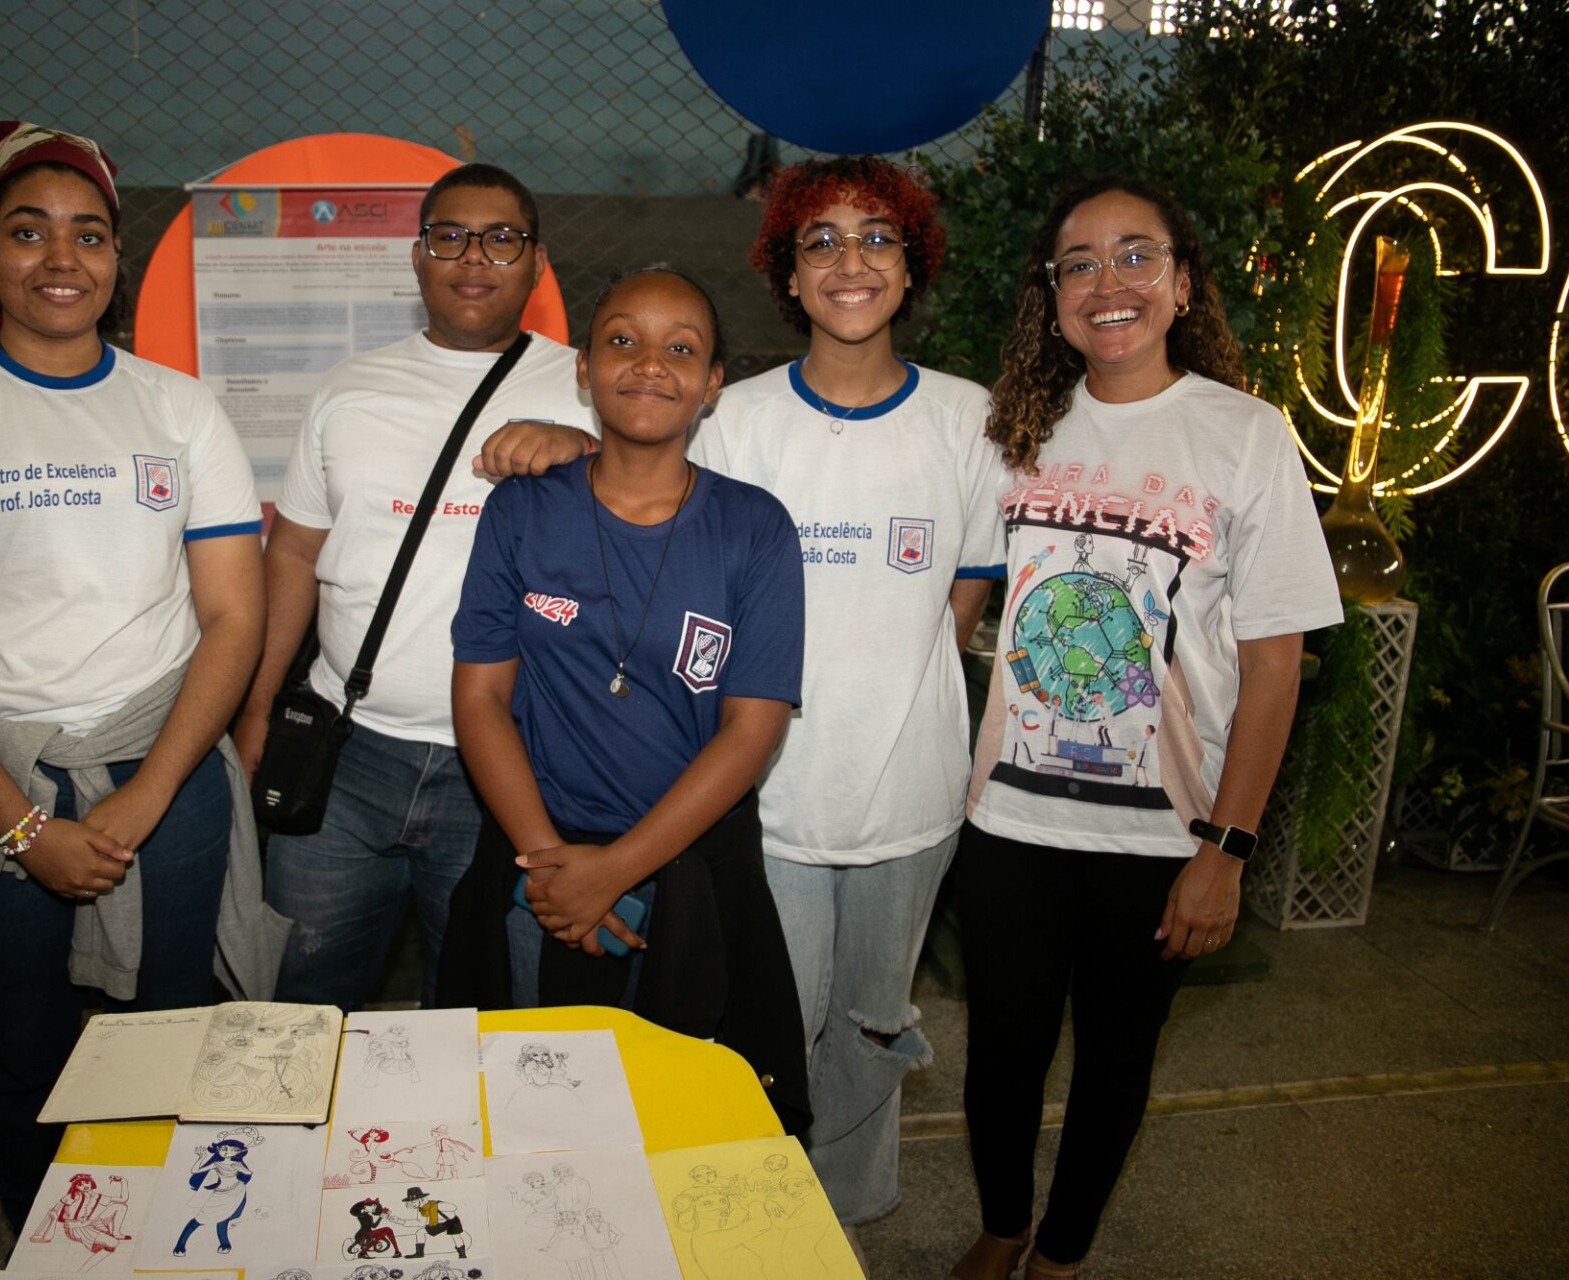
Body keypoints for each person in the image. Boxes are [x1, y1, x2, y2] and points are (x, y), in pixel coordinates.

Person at [0, 120, 269, 1233]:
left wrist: (147, 793)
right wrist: (24, 827)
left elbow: (233, 617)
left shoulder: (178, 407)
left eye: (88, 234)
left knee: (169, 1036)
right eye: (28, 232)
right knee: (21, 1043)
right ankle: (55, 1242)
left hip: (162, 763)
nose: (61, 258)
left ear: (118, 254)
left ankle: (171, 1240)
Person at [949, 177, 1341, 1280]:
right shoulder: (1010, 427)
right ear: (1052, 296)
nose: (1106, 282)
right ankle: (1002, 1223)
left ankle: (1062, 1252)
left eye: (1135, 255)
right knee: (1002, 1054)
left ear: (1182, 282)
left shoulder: (1245, 436)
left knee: (1117, 1061)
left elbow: (1274, 669)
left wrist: (1227, 850)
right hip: (1011, 819)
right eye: (1077, 263)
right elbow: (957, 599)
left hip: (1163, 833)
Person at [688, 154, 1003, 1249]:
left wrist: (894, 692)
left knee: (873, 1022)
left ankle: (845, 1219)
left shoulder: (968, 419)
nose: (851, 260)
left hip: (910, 795)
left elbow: (963, 592)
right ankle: (766, 1220)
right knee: (773, 1022)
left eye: (878, 237)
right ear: (787, 273)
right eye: (820, 240)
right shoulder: (736, 421)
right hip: (769, 795)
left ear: (912, 268)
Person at [437, 267, 811, 1131]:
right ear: (583, 368)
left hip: (692, 871)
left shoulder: (754, 527)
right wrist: (552, 867)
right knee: (529, 1120)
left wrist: (615, 870)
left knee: (683, 1131)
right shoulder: (523, 510)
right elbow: (481, 696)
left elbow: (750, 729)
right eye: (621, 340)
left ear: (712, 383)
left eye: (681, 348)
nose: (649, 363)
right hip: (540, 865)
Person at [232, 162, 590, 1011]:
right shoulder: (348, 389)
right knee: (301, 1007)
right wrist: (255, 709)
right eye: (450, 236)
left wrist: (588, 450)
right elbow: (294, 555)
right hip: (345, 756)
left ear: (538, 263)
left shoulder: (589, 386)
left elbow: (669, 502)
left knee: (484, 1016)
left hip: (512, 767)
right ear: (418, 255)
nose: (474, 257)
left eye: (502, 239)